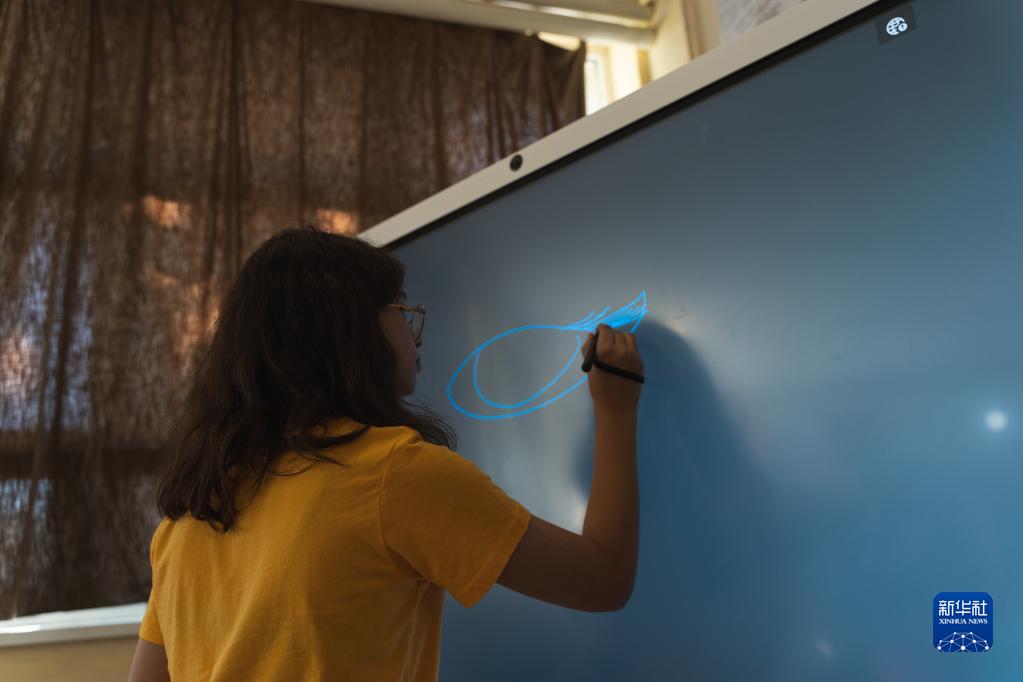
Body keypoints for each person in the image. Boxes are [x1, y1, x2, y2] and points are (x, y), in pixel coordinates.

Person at [127, 226, 643, 682]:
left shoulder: (189, 515)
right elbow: (602, 578)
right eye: (400, 308)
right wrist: (616, 410)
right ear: (349, 329)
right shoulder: (391, 473)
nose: (415, 331)